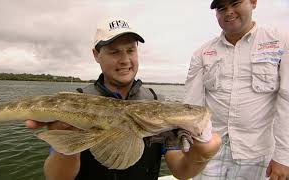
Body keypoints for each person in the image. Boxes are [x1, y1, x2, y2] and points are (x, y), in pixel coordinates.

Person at [26, 17, 221, 180]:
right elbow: (57, 178)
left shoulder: (156, 101)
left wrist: (200, 156)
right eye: (114, 52)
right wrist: (66, 147)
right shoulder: (75, 101)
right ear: (96, 55)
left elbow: (181, 171)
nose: (125, 60)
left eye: (130, 50)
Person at [184, 0, 289, 179]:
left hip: (259, 153)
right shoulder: (202, 53)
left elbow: (286, 100)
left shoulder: (281, 42)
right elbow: (192, 107)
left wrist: (283, 157)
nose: (229, 12)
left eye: (235, 3)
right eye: (221, 8)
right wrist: (189, 149)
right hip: (210, 151)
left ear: (253, 2)